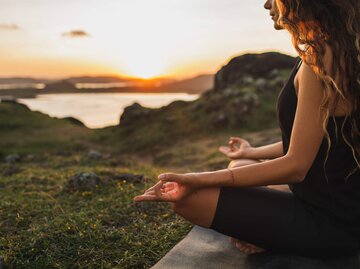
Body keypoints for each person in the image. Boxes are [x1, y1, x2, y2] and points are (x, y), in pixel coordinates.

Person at [134, 0, 360, 258]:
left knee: (188, 197)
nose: (266, 4)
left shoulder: (321, 59)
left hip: (334, 223)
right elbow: (312, 141)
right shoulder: (335, 49)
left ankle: (275, 238)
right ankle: (271, 230)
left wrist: (195, 178)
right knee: (239, 166)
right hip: (328, 200)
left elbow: (296, 166)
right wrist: (251, 152)